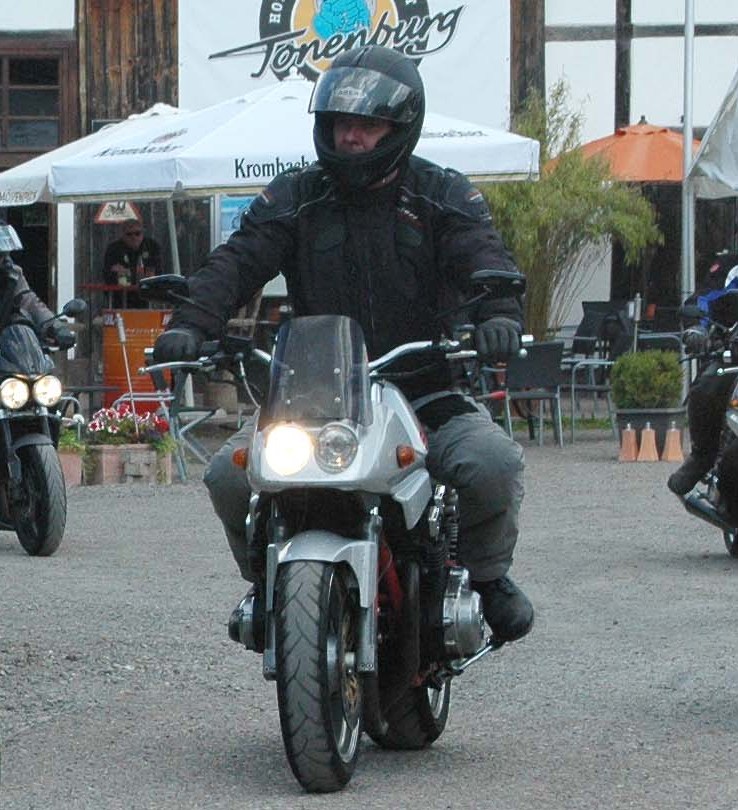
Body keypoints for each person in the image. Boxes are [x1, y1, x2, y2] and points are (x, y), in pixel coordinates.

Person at [153, 45, 534, 643]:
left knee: (491, 462)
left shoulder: (442, 194)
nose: (350, 136)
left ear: (400, 127)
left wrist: (499, 315)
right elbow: (237, 261)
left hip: (426, 388)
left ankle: (487, 578)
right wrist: (190, 323)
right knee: (230, 473)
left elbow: (485, 258)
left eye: (366, 124)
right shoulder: (295, 196)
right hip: (317, 393)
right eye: (339, 122)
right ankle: (269, 581)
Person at [667, 252, 738, 496]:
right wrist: (698, 328)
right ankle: (703, 456)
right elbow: (703, 299)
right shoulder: (730, 268)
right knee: (707, 387)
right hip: (733, 354)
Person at [0, 219, 75, 349]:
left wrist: (55, 327)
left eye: (3, 254)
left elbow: (29, 302)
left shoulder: (12, 275)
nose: (4, 259)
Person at [103, 218, 162, 307]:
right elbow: (108, 276)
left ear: (142, 233)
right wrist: (139, 274)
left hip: (149, 299)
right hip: (121, 299)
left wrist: (126, 273)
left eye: (137, 233)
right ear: (123, 235)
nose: (134, 237)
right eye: (129, 234)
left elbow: (156, 273)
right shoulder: (114, 249)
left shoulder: (152, 246)